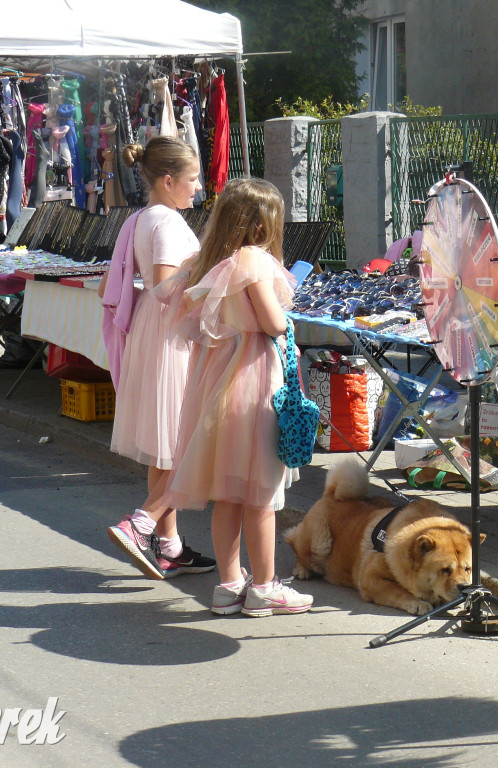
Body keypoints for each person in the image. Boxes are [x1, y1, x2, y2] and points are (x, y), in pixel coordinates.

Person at [158, 177, 312, 618]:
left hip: (220, 385)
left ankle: (229, 586)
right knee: (260, 495)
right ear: (264, 225)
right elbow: (272, 322)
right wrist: (286, 315)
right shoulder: (252, 262)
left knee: (227, 494)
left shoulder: (211, 262)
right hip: (255, 382)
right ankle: (264, 587)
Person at [98, 136, 216, 580]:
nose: (198, 187)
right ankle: (143, 523)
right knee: (186, 446)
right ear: (168, 181)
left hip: (156, 329)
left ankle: (169, 546)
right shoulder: (167, 222)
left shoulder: (146, 217)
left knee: (165, 450)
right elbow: (169, 288)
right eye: (191, 179)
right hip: (171, 333)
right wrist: (212, 278)